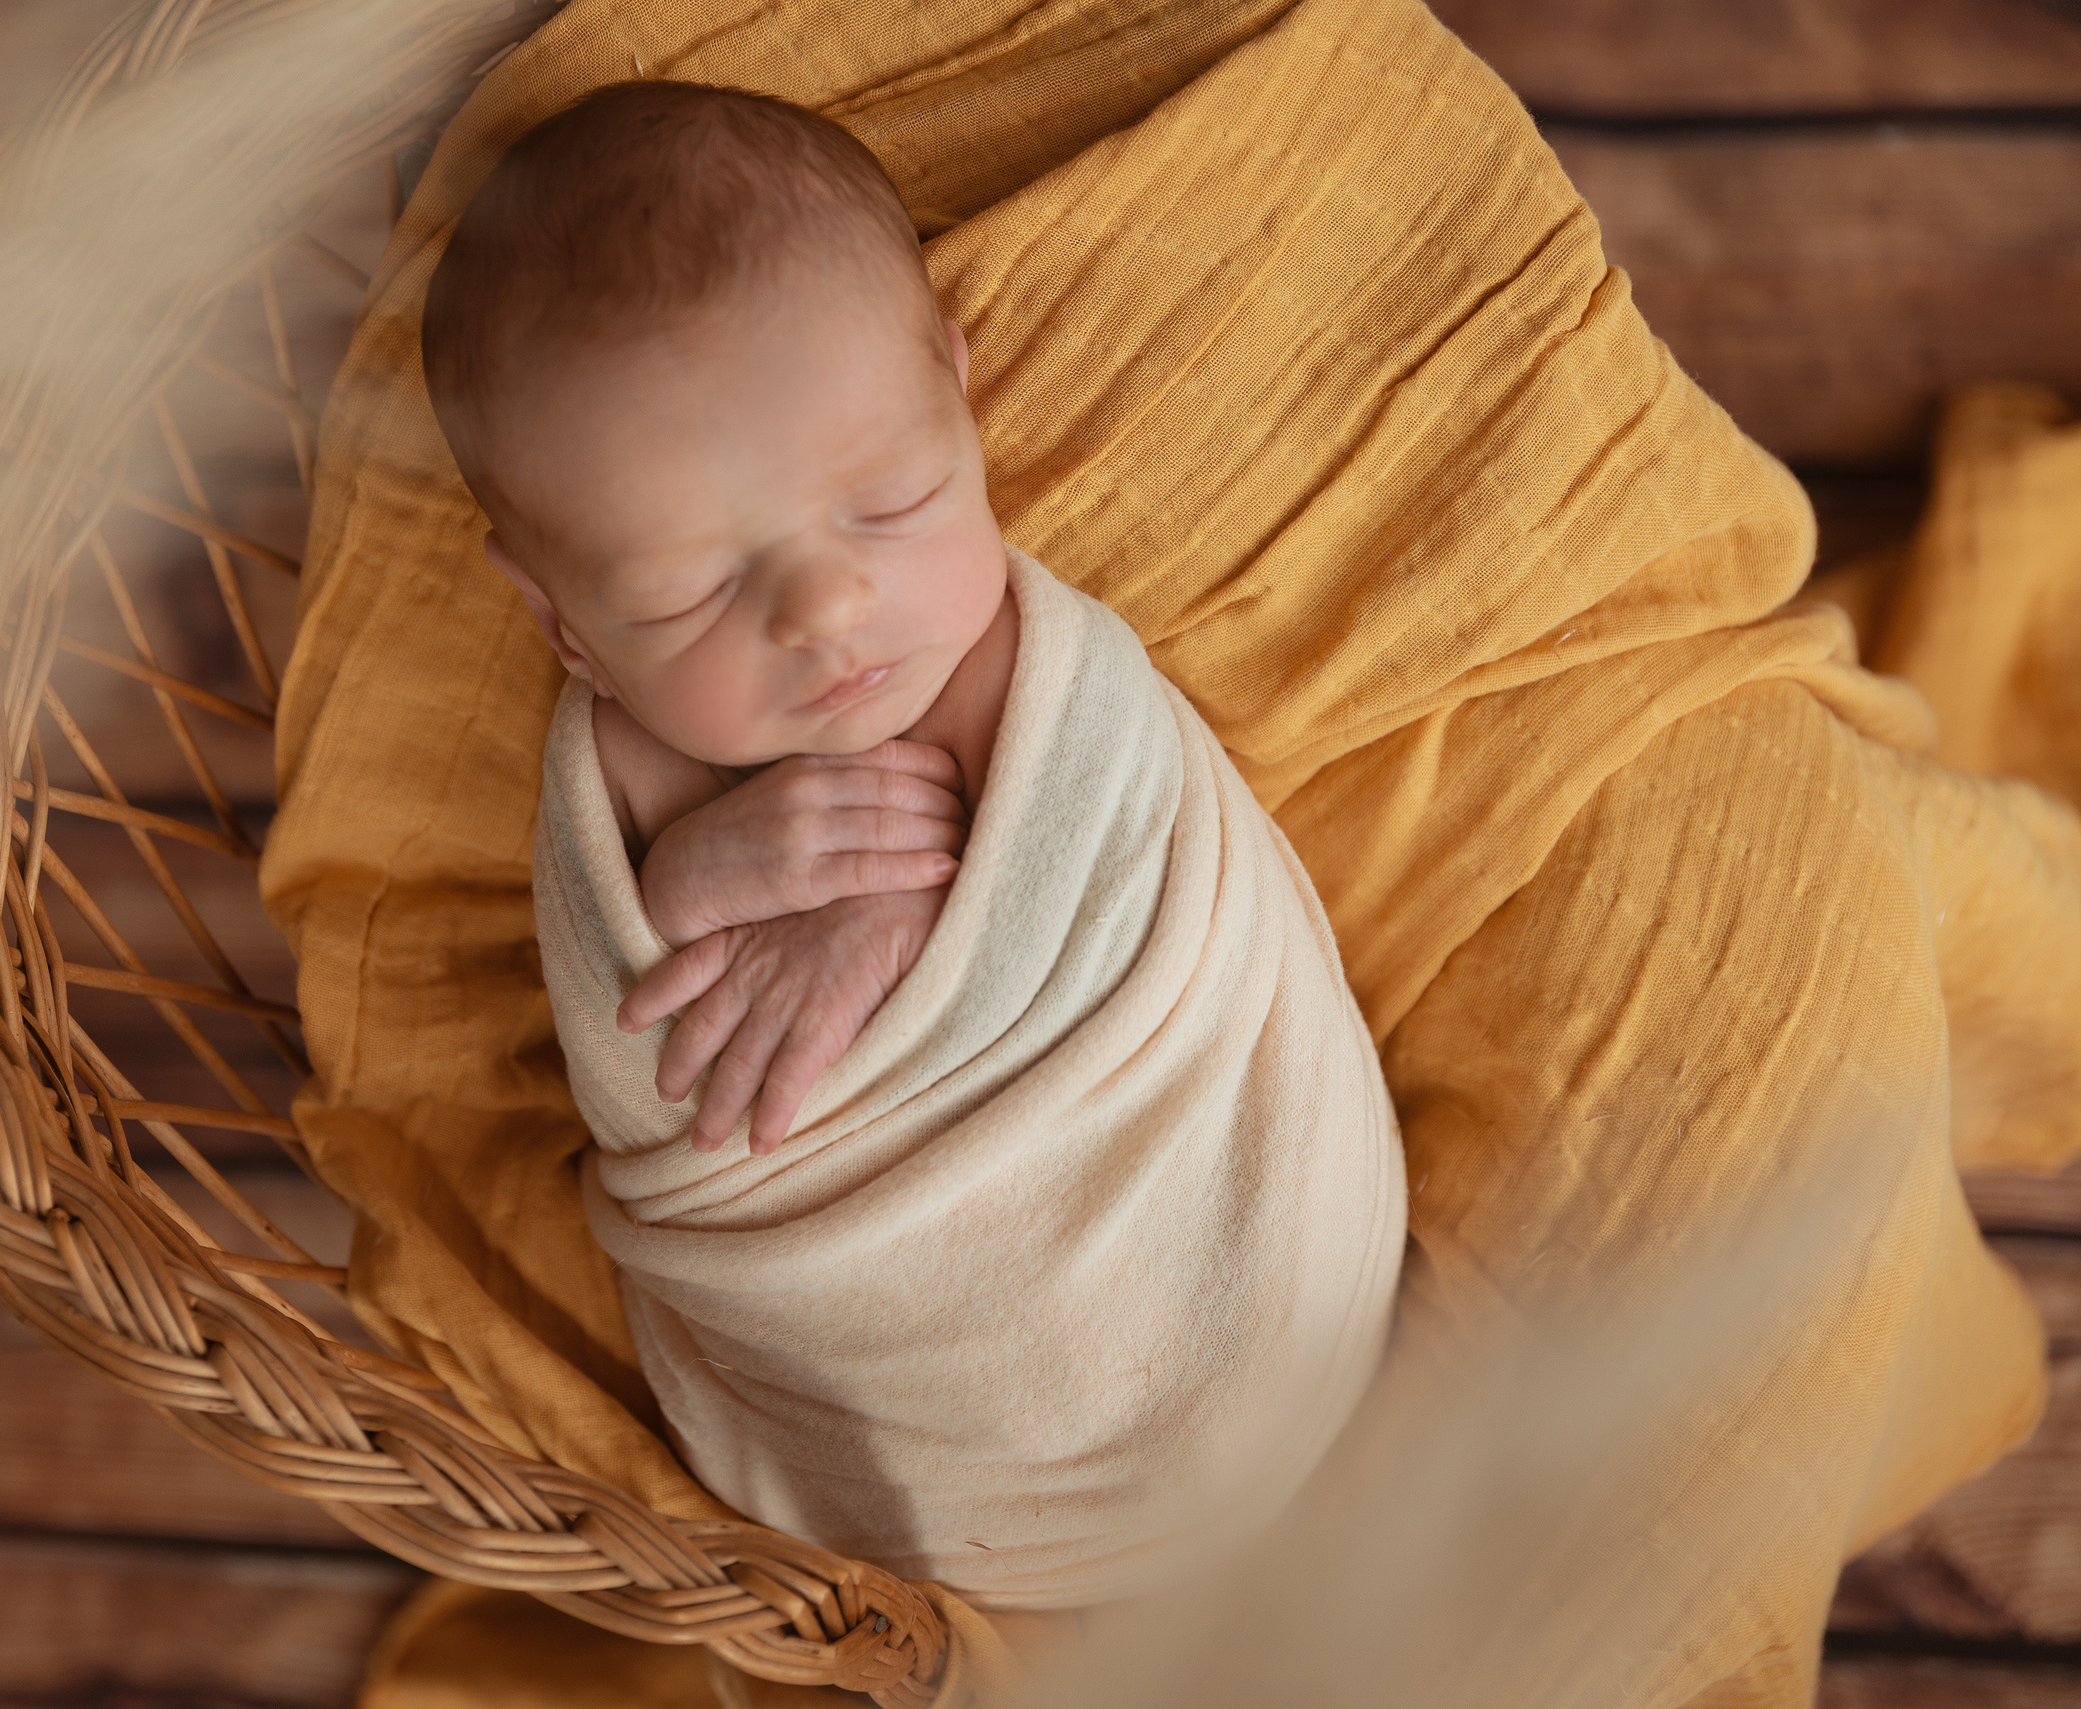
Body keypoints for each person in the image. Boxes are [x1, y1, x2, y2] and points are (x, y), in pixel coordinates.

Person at [414, 79, 1405, 1607]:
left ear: (960, 392)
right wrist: (689, 881)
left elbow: (1098, 805)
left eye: (892, 500)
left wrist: (912, 915)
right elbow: (641, 1020)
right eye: (684, 592)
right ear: (560, 619)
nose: (825, 612)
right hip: (898, 1373)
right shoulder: (617, 764)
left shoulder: (1019, 663)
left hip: (1207, 1214)